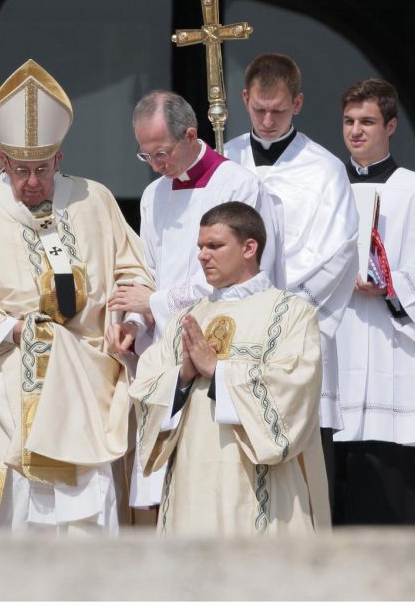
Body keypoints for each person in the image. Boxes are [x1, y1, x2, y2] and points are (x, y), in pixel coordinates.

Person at [0, 59, 154, 533]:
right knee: (9, 509)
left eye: (40, 169)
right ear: (3, 160)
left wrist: (129, 324)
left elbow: (132, 271)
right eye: (20, 170)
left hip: (87, 376)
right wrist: (14, 330)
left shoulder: (93, 200)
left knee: (87, 507)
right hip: (8, 375)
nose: (31, 181)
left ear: (58, 159)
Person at [107, 90, 284, 508]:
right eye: (146, 156)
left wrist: (157, 301)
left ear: (190, 135)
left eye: (162, 153)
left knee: (205, 480)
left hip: (219, 345)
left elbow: (243, 273)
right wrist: (135, 321)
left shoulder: (238, 184)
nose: (156, 165)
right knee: (160, 488)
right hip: (164, 354)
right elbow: (146, 269)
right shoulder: (154, 194)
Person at [132, 201, 329, 536]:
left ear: (249, 247)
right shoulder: (186, 318)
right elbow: (145, 388)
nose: (202, 256)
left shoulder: (291, 313)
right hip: (191, 482)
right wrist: (183, 376)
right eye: (200, 247)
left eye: (215, 246)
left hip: (257, 484)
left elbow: (295, 391)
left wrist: (218, 371)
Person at [223, 53, 358, 486]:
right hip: (233, 324)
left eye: (278, 111)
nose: (266, 120)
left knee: (300, 447)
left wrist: (279, 308)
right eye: (259, 110)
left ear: (297, 104)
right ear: (244, 99)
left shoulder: (324, 170)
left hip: (295, 325)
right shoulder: (223, 160)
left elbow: (335, 252)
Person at [333, 78, 415, 524]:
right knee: (335, 489)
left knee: (386, 491)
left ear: (391, 125)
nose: (356, 131)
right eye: (348, 121)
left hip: (392, 351)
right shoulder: (325, 189)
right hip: (336, 348)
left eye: (367, 121)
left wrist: (391, 284)